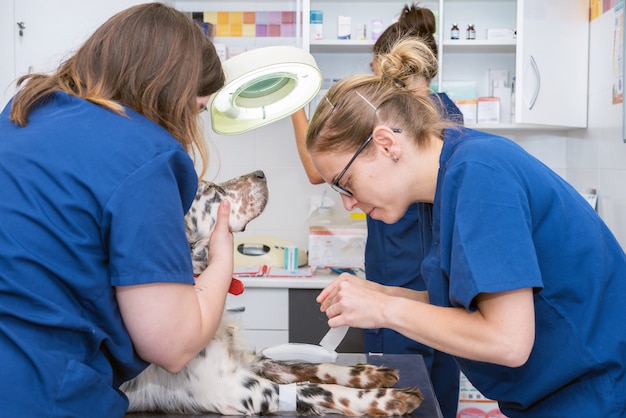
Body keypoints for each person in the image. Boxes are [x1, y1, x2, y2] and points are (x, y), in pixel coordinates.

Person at [306, 36, 626, 417]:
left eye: (345, 182)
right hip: (558, 396)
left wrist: (383, 310)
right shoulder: (444, 185)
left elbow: (507, 340)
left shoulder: (478, 175)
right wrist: (381, 294)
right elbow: (464, 306)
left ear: (386, 143)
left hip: (596, 396)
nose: (348, 202)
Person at [0, 4, 232, 417]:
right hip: (38, 391)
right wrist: (221, 260)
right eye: (196, 110)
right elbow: (172, 343)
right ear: (172, 94)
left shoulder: (21, 115)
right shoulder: (146, 154)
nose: (193, 125)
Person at [291, 4, 461, 417]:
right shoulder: (448, 114)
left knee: (400, 397)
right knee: (435, 395)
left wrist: (295, 103)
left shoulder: (394, 126)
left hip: (402, 280)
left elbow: (317, 171)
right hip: (432, 283)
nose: (350, 200)